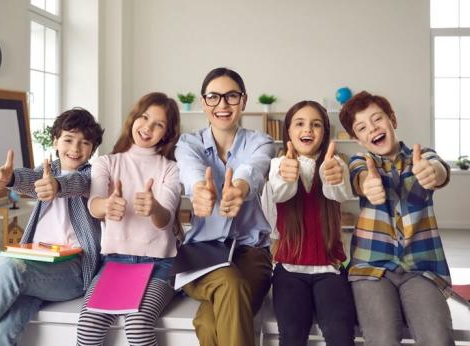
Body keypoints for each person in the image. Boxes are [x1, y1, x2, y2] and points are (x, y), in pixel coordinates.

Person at [0, 108, 104, 346]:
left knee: (10, 270)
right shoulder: (47, 171)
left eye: (85, 143)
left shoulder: (94, 175)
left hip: (73, 271)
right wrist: (10, 179)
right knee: (4, 332)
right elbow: (31, 181)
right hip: (37, 266)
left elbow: (76, 183)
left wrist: (56, 186)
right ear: (55, 140)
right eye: (68, 139)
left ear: (93, 149)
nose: (75, 149)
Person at [339, 91, 455, 345]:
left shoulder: (422, 156)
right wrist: (367, 184)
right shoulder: (360, 161)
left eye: (377, 119)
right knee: (383, 339)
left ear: (393, 119)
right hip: (371, 269)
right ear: (357, 139)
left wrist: (433, 173)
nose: (372, 129)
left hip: (421, 269)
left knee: (438, 339)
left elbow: (439, 169)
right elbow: (359, 177)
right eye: (362, 127)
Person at [174, 67, 277, 346]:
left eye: (231, 96)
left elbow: (254, 167)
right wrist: (200, 190)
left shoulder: (262, 141)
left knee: (208, 324)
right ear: (203, 101)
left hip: (251, 254)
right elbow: (190, 169)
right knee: (229, 284)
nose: (222, 105)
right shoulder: (188, 143)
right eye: (214, 97)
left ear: (243, 101)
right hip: (202, 255)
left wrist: (239, 188)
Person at [76, 92, 182, 346]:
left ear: (166, 134)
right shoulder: (106, 163)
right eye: (144, 118)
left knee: (138, 326)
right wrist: (107, 205)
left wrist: (154, 207)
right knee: (87, 328)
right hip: (115, 261)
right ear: (133, 118)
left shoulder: (171, 168)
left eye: (159, 124)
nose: (147, 128)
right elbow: (94, 204)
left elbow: (164, 219)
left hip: (161, 264)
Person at [265, 100, 356, 346]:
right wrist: (287, 176)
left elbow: (339, 194)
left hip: (330, 269)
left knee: (340, 334)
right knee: (292, 336)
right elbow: (279, 194)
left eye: (316, 125)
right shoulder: (277, 165)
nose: (308, 130)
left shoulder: (336, 164)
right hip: (289, 271)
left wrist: (332, 176)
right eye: (300, 124)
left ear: (325, 132)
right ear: (289, 132)